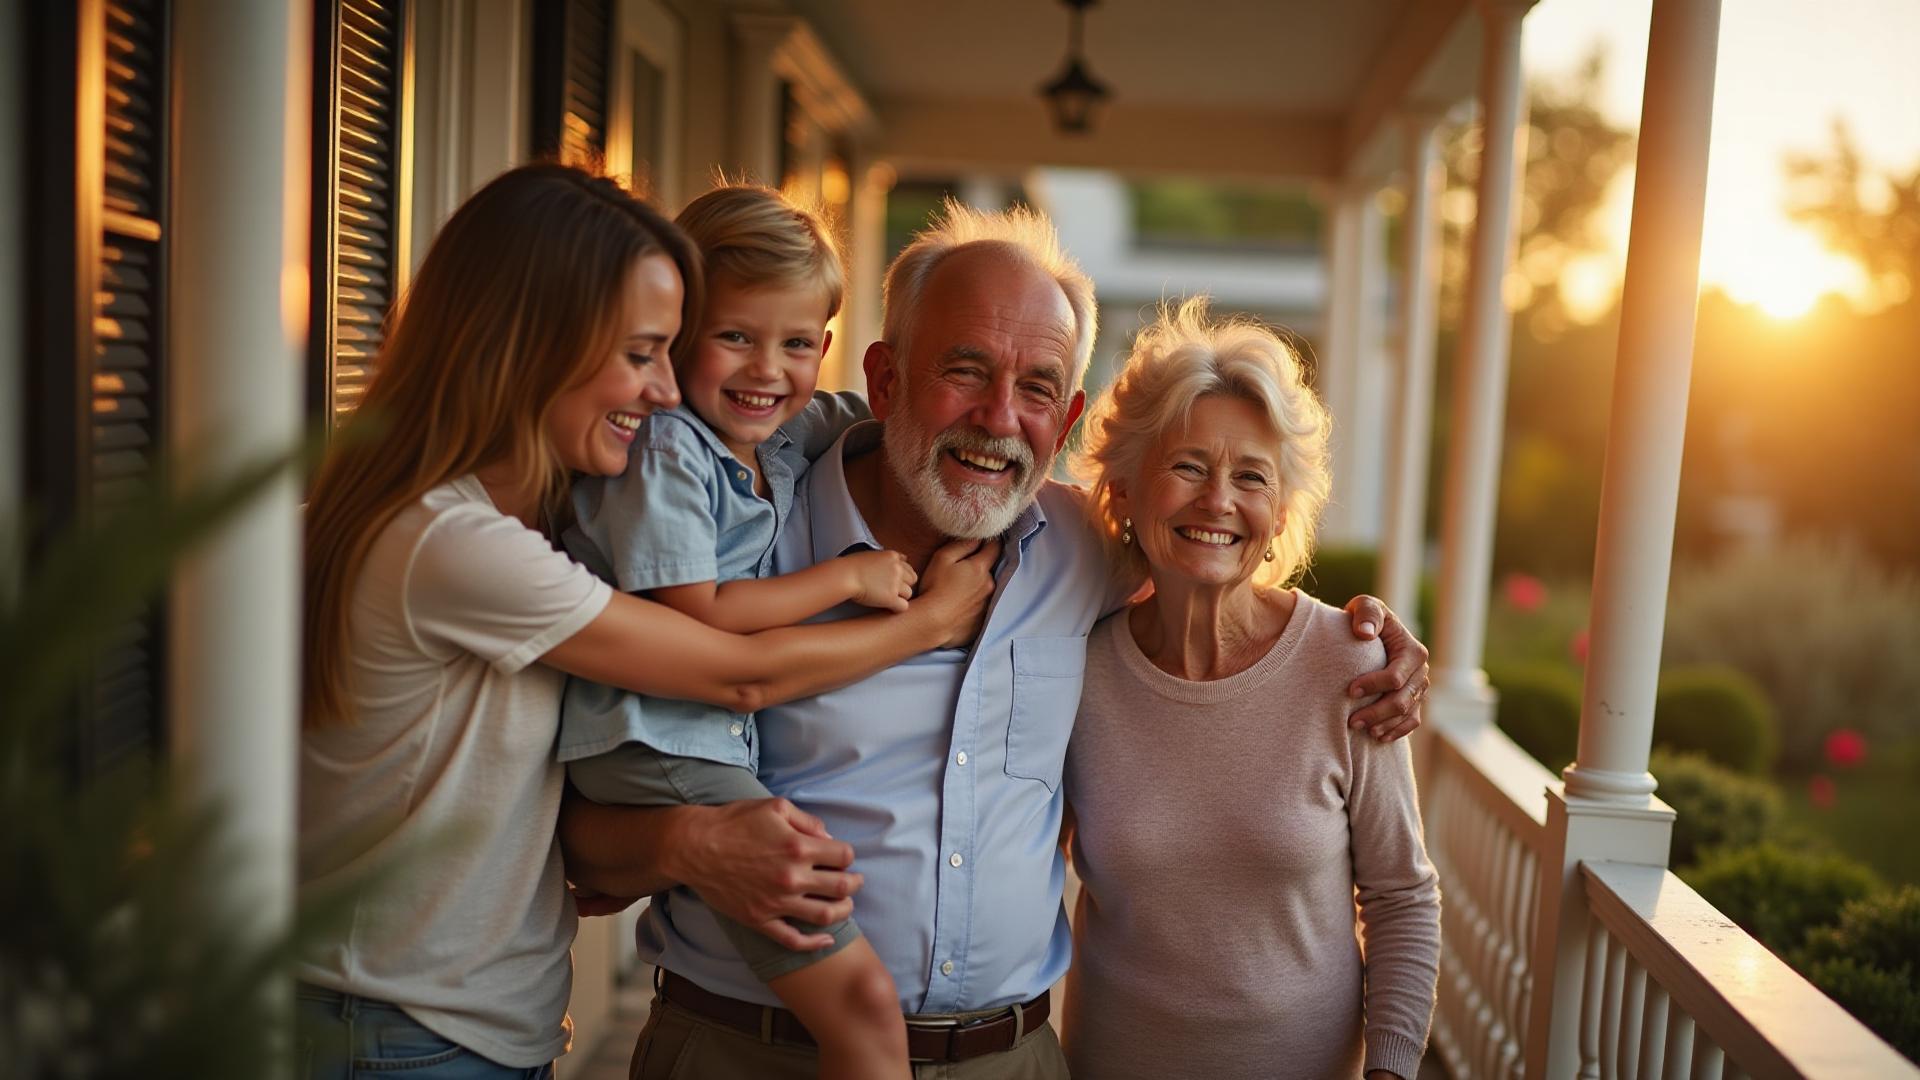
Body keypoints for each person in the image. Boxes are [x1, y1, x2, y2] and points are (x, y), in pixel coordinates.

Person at [559, 201, 1433, 1079]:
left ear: (1070, 414)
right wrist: (685, 848)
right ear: (885, 378)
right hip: (745, 1053)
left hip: (1011, 1059)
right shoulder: (743, 545)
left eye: (1038, 388)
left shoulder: (1083, 554)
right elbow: (581, 836)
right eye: (965, 371)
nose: (999, 416)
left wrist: (1367, 637)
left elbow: (1208, 562)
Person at [293, 165, 995, 1079]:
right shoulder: (452, 543)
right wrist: (926, 622)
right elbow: (726, 670)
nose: (667, 393)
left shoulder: (519, 520)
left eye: (670, 351)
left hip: (468, 1025)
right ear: (530, 345)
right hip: (400, 1031)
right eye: (641, 353)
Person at [561, 184, 918, 1079]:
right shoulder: (668, 447)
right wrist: (848, 576)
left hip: (698, 744)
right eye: (736, 338)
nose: (768, 370)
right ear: (679, 333)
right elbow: (700, 613)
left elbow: (891, 419)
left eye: (797, 344)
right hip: (657, 736)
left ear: (825, 348)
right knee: (865, 1005)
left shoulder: (782, 427)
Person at [1060, 299, 1441, 1079]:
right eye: (1187, 466)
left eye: (1251, 478)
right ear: (1124, 490)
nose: (1218, 501)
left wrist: (1393, 1070)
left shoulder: (1350, 664)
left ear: (1279, 514)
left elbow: (1402, 897)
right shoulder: (1074, 665)